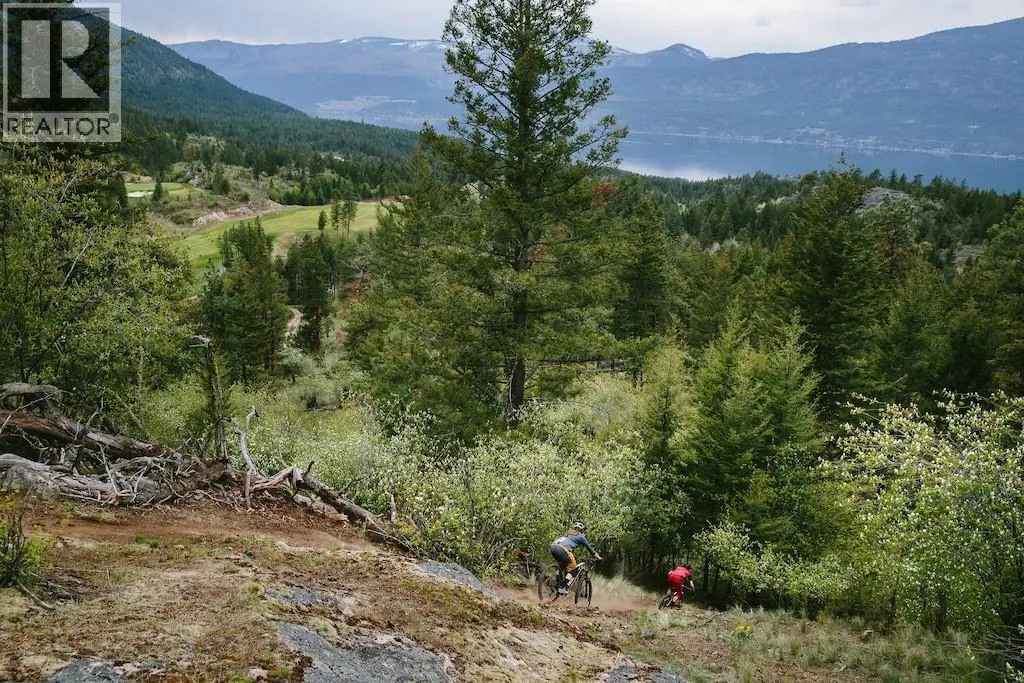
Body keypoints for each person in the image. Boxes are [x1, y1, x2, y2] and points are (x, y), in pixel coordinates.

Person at [550, 522, 602, 595]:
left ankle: (556, 581)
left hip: (553, 547)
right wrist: (597, 557)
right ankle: (562, 587)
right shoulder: (580, 536)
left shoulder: (568, 534)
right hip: (563, 549)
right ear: (581, 530)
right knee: (573, 569)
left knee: (563, 565)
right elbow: (590, 549)